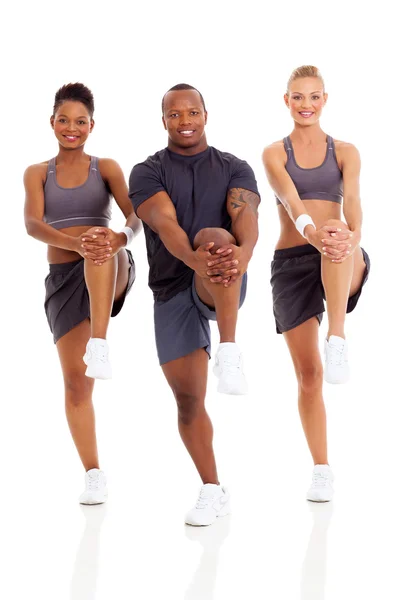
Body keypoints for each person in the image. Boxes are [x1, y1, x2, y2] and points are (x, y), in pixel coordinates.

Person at [128, 83, 260, 526]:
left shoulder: (234, 167)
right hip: (171, 285)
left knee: (218, 237)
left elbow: (247, 220)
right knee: (188, 401)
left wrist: (241, 254)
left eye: (192, 112)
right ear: (163, 120)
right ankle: (212, 489)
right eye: (174, 114)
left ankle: (229, 348)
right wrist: (193, 262)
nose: (184, 121)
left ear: (206, 114)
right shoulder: (146, 171)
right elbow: (164, 224)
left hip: (222, 279)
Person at [24, 83, 141, 504]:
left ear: (92, 126)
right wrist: (73, 246)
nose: (71, 128)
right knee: (77, 386)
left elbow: (134, 215)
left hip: (111, 267)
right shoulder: (37, 172)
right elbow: (33, 225)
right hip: (62, 278)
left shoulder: (105, 166)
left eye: (80, 122)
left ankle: (101, 341)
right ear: (51, 122)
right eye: (63, 120)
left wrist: (118, 238)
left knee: (98, 241)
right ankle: (93, 473)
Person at [263, 65, 370, 502]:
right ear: (286, 101)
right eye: (297, 97)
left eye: (313, 96)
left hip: (343, 254)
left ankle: (338, 337)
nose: (306, 104)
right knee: (309, 377)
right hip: (292, 259)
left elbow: (355, 203)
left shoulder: (345, 150)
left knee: (337, 242)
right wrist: (312, 231)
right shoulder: (274, 152)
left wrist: (353, 235)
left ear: (324, 100)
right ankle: (321, 469)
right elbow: (290, 200)